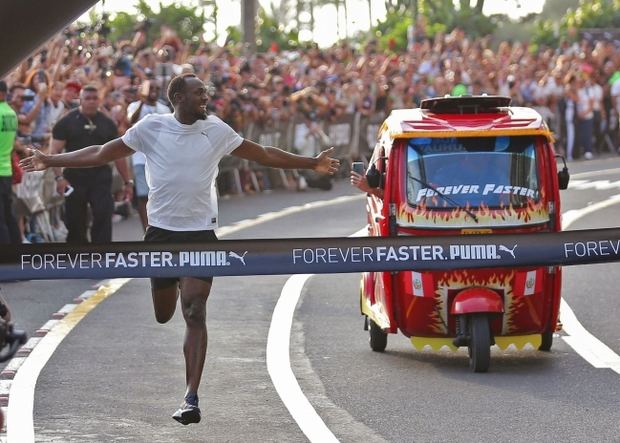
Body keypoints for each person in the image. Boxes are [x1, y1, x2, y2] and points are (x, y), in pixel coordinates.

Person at [20, 73, 340, 425]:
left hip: (200, 233)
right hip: (161, 235)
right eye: (198, 93)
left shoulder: (216, 129)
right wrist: (51, 160)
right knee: (164, 313)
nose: (206, 97)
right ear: (178, 97)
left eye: (206, 92)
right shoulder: (151, 128)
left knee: (195, 311)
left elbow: (262, 154)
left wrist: (311, 163)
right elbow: (100, 152)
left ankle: (191, 397)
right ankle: (172, 283)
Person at [50, 84, 133, 243]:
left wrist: (127, 181)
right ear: (80, 100)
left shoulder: (107, 124)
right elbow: (54, 152)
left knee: (103, 214)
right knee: (75, 221)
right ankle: (77, 257)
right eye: (87, 98)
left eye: (95, 98)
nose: (91, 102)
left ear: (99, 100)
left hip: (100, 176)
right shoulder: (66, 122)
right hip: (74, 176)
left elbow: (118, 154)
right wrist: (59, 178)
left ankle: (101, 256)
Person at [126, 79, 170, 230]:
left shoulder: (164, 109)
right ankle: (147, 229)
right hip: (140, 158)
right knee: (143, 195)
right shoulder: (134, 106)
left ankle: (161, 226)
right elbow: (131, 120)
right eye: (150, 88)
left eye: (157, 88)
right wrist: (142, 102)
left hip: (161, 160)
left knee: (160, 196)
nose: (154, 91)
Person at [0, 80, 21, 244]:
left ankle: (5, 257)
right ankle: (16, 250)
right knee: (9, 215)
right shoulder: (11, 113)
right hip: (6, 170)